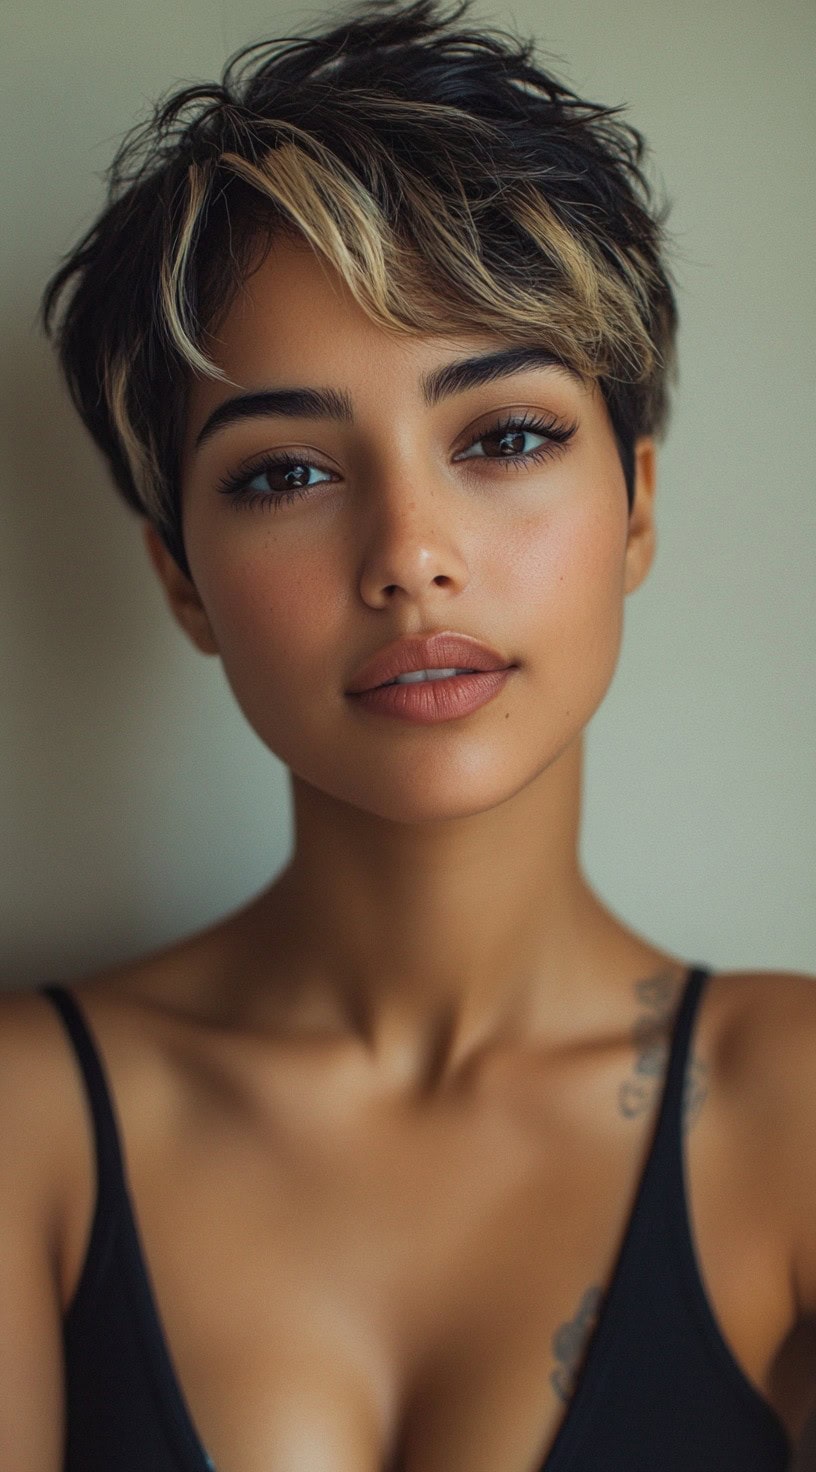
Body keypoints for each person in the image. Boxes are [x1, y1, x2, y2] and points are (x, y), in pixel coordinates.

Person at [2, 0, 813, 1467]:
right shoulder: (25, 1130)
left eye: (503, 436)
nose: (411, 554)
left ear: (634, 505)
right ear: (180, 578)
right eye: (287, 471)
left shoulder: (797, 1110)